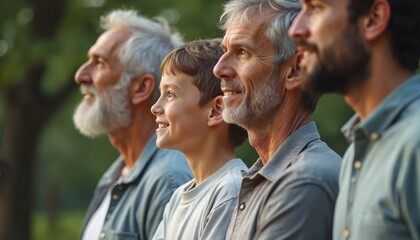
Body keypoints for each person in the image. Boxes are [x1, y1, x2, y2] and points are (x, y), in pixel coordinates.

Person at [289, 0, 420, 239]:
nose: (296, 29)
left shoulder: (415, 144)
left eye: (316, 8)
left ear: (374, 19)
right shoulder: (355, 155)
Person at [212, 0, 342, 239]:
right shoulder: (262, 178)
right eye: (224, 52)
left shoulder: (305, 181)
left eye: (242, 52)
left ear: (294, 71)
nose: (219, 69)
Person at [73, 9, 192, 240]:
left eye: (99, 62)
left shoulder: (169, 181)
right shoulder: (116, 175)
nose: (80, 75)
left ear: (140, 88)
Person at [150, 38, 248, 240]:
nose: (155, 107)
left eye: (170, 94)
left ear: (215, 111)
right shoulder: (178, 198)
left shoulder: (231, 191)